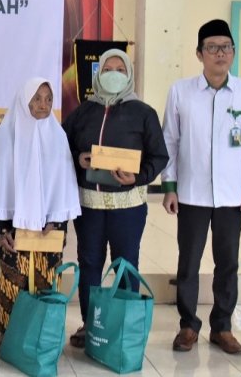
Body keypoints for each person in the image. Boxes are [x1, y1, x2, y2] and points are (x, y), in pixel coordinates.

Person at [161, 19, 241, 355]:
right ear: (199, 54)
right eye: (213, 47)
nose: (221, 53)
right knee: (188, 263)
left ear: (233, 53)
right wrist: (170, 187)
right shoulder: (181, 91)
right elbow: (170, 141)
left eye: (226, 47)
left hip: (232, 195)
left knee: (228, 262)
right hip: (191, 193)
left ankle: (223, 327)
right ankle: (188, 326)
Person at [62, 49, 169, 348]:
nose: (113, 73)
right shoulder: (83, 112)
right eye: (107, 67)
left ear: (129, 74)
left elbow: (159, 156)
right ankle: (90, 324)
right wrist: (78, 158)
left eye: (119, 68)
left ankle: (123, 324)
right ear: (97, 73)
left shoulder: (143, 113)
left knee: (125, 263)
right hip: (90, 207)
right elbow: (60, 148)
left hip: (128, 206)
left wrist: (140, 176)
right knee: (90, 263)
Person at [0, 77, 81, 359]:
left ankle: (44, 335)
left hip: (49, 230)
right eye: (37, 99)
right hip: (13, 231)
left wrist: (57, 222)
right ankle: (7, 336)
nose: (43, 105)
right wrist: (2, 231)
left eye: (48, 99)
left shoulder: (57, 136)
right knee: (13, 282)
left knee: (48, 281)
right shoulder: (6, 135)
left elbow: (64, 184)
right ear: (24, 100)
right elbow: (0, 188)